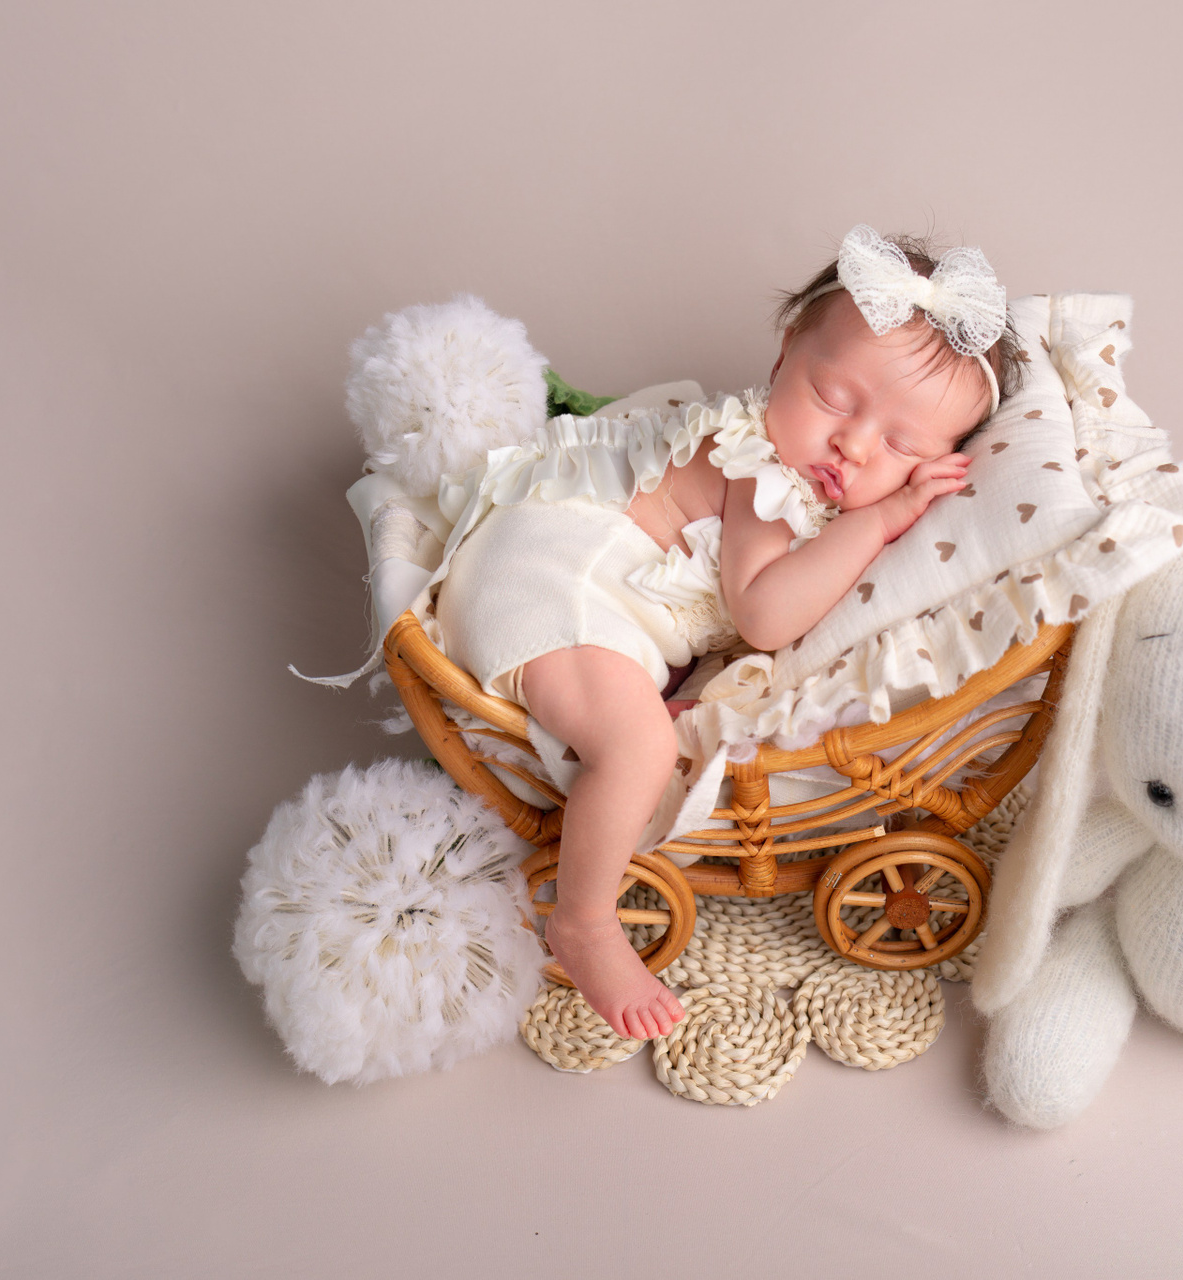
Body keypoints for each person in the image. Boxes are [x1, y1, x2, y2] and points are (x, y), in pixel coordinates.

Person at [436, 225, 1021, 1039]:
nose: (852, 445)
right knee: (639, 747)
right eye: (833, 399)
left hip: (590, 588)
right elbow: (767, 616)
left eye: (900, 445)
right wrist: (883, 516)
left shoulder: (797, 471)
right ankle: (585, 921)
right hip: (551, 578)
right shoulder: (760, 468)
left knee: (664, 712)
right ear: (783, 357)